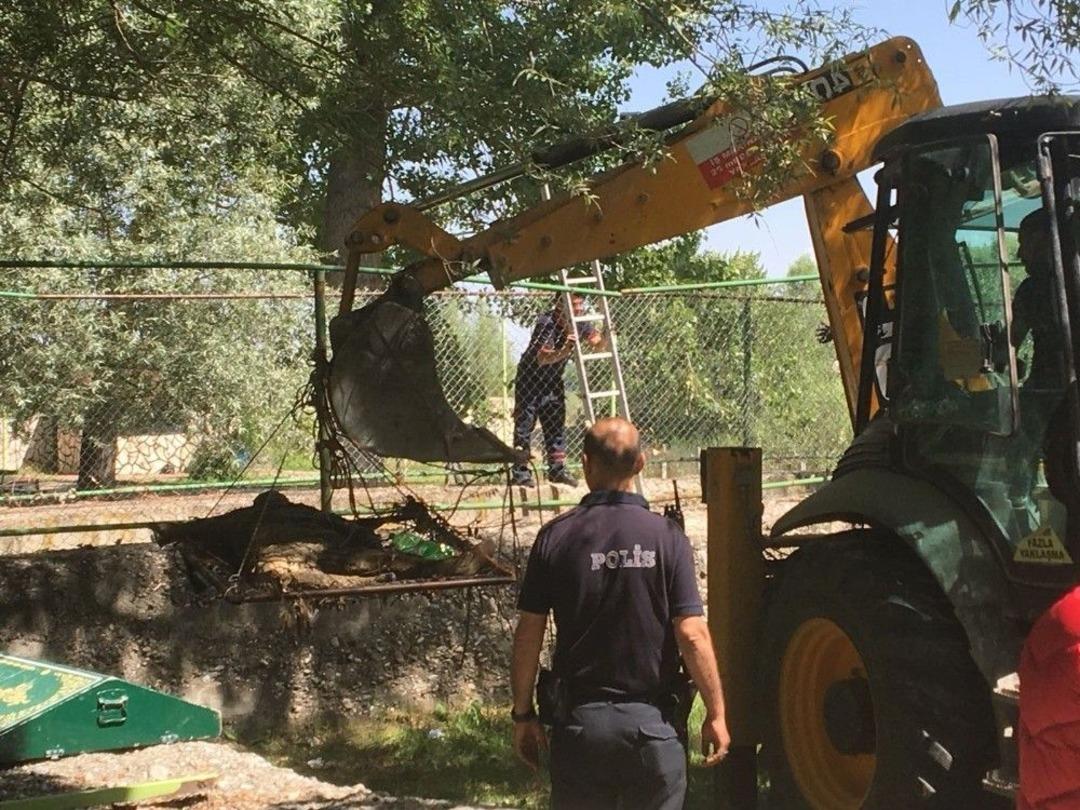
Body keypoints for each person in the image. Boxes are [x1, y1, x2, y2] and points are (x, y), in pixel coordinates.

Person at [509, 417, 730, 810]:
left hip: (579, 732)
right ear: (641, 464)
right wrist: (716, 712)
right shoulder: (668, 539)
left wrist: (523, 714)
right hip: (653, 731)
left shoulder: (555, 537)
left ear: (585, 463)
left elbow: (529, 632)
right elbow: (692, 633)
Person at [511, 293, 604, 488]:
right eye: (575, 305)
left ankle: (557, 470)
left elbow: (597, 343)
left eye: (581, 305)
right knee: (524, 425)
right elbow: (543, 358)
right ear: (560, 306)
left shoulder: (578, 322)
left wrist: (608, 336)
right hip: (531, 379)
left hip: (552, 380)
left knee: (555, 425)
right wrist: (567, 348)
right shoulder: (547, 322)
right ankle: (520, 473)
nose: (579, 309)